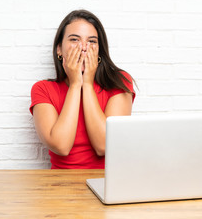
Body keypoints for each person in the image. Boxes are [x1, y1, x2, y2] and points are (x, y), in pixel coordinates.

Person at [29, 10, 136, 169]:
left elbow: (103, 145)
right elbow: (61, 146)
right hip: (60, 184)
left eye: (92, 41)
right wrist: (74, 84)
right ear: (59, 49)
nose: (84, 47)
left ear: (99, 49)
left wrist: (87, 84)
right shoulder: (43, 89)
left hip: (106, 182)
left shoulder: (119, 82)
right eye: (74, 39)